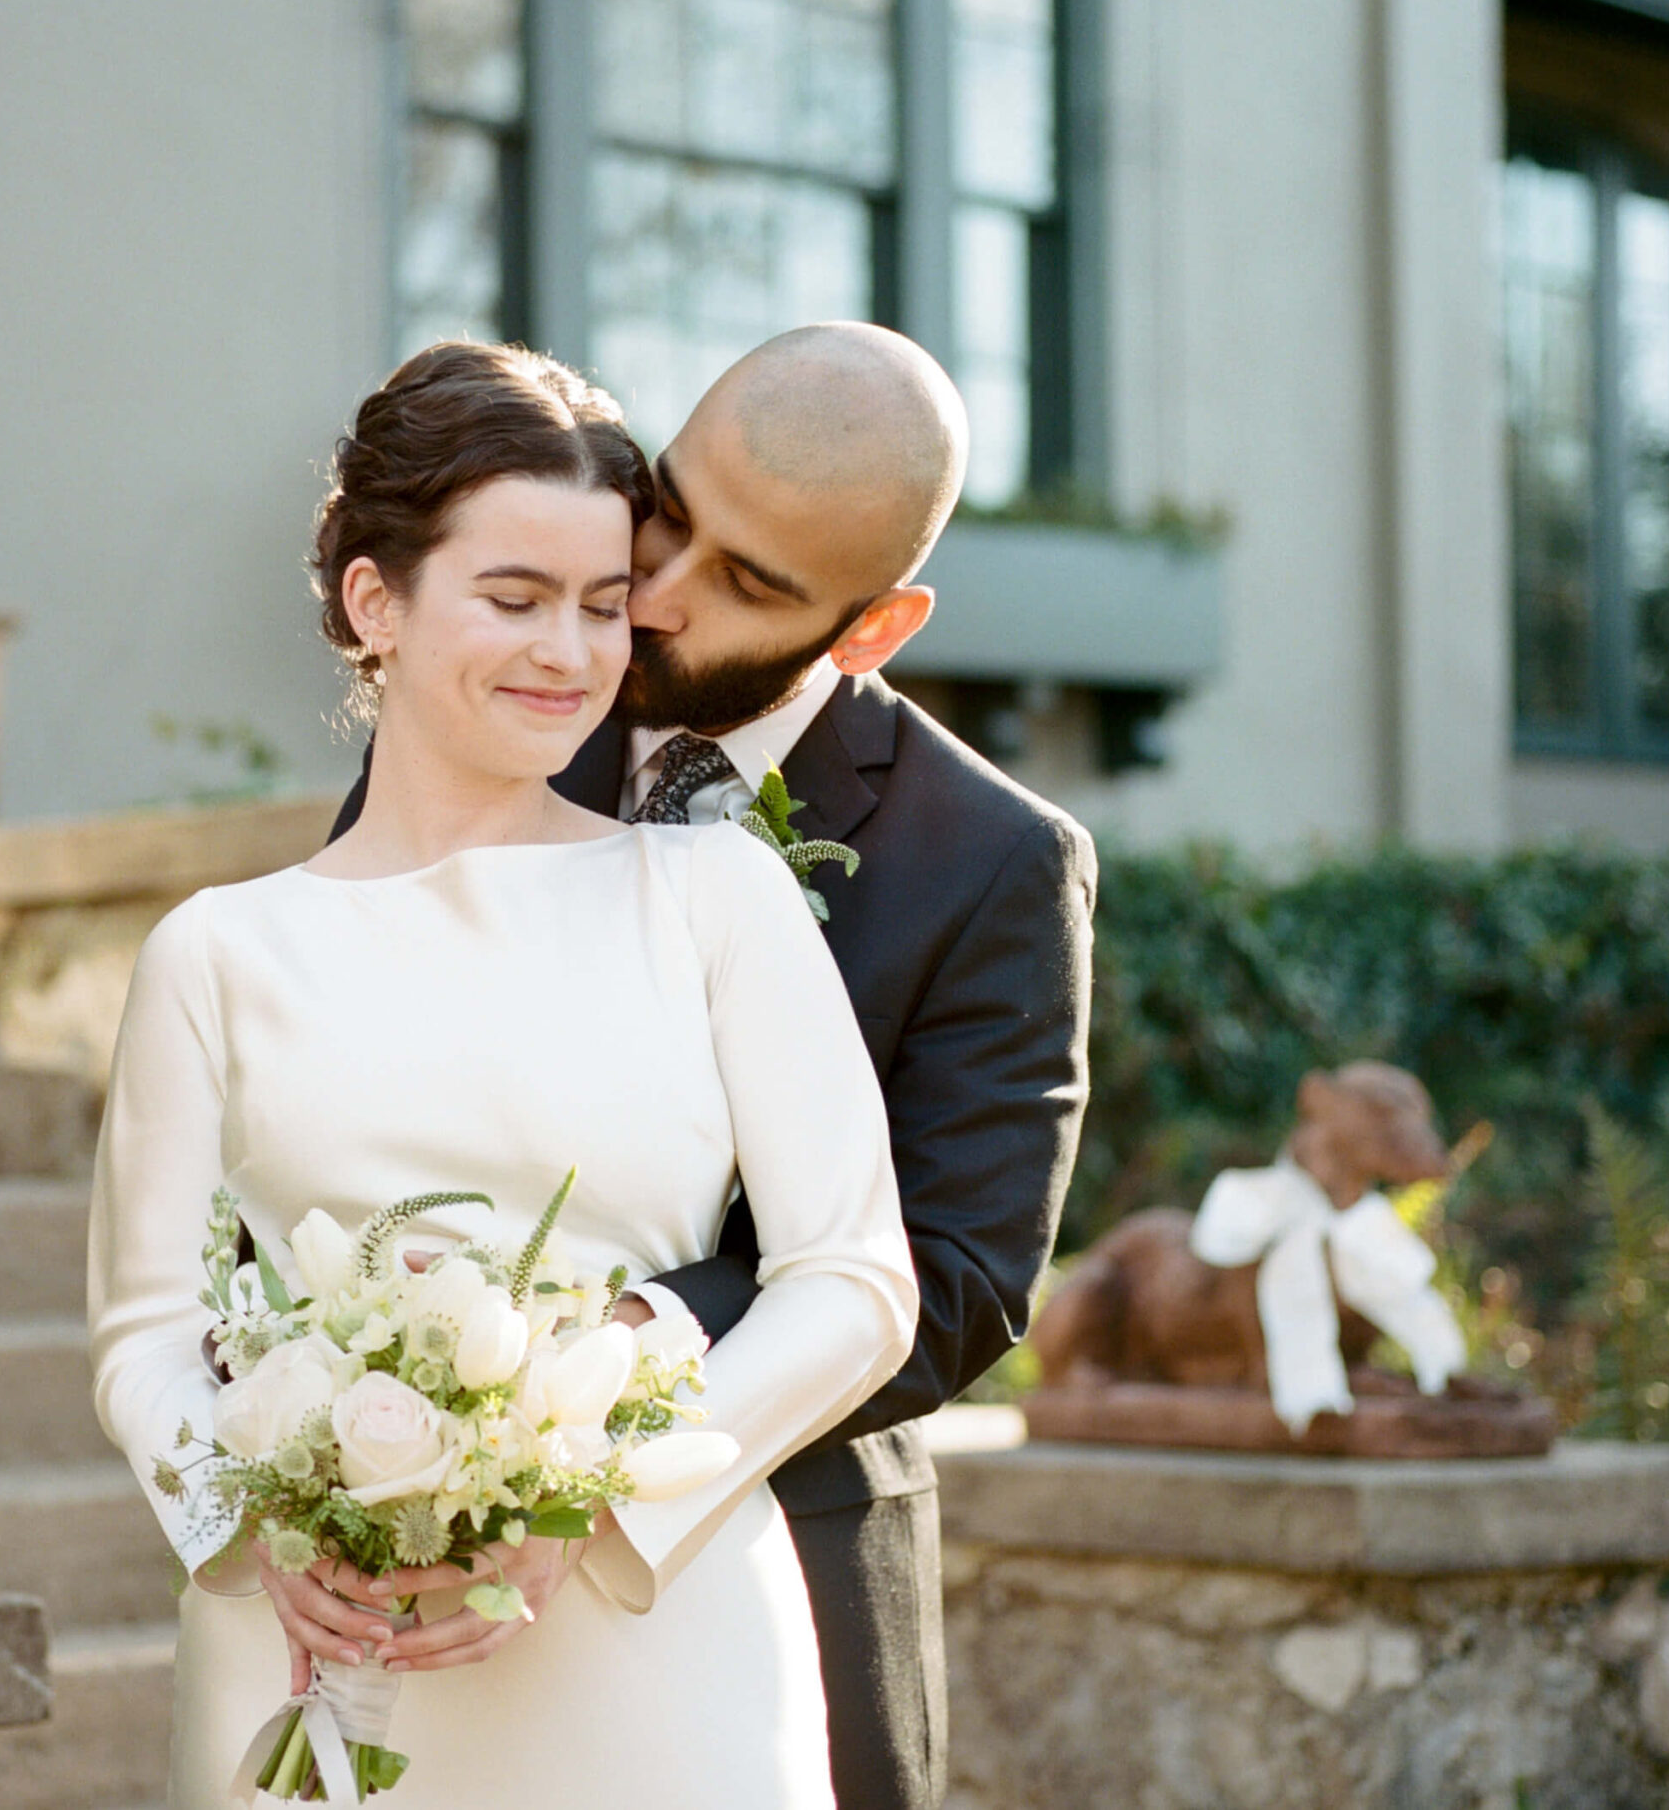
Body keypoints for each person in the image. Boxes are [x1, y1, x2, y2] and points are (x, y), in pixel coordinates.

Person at [86, 340, 918, 1809]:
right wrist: (253, 1529)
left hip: (653, 1625)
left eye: (604, 607)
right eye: (515, 599)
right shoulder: (216, 953)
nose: (572, 652)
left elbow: (853, 1281)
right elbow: (141, 1335)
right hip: (321, 1656)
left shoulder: (714, 896)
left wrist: (593, 1496)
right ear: (374, 602)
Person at [331, 323, 1098, 1810]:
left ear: (872, 629)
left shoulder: (994, 861)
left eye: (750, 584)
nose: (654, 599)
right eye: (668, 511)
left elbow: (964, 1275)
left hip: (777, 1569)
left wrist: (587, 1354)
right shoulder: (484, 698)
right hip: (411, 1569)